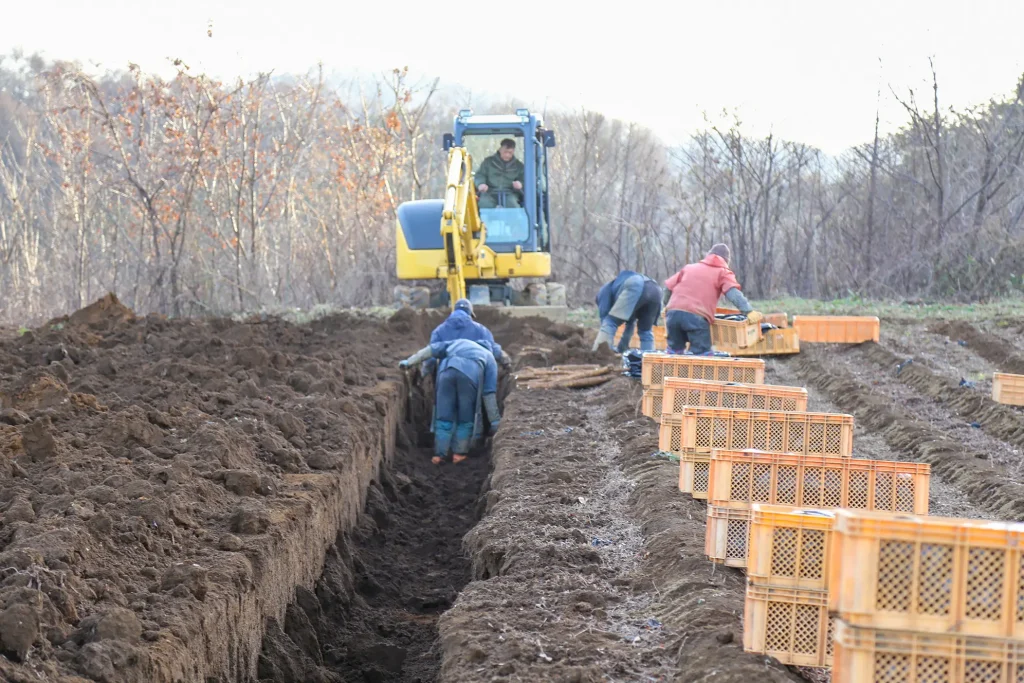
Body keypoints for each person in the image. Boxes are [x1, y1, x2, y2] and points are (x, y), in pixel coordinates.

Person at [399, 338, 503, 465]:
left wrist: (409, 362)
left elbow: (429, 350)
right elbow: (489, 393)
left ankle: (439, 455)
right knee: (465, 419)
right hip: (469, 377)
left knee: (444, 417)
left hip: (446, 373)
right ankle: (458, 454)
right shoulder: (489, 357)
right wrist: (495, 421)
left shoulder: (456, 342)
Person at [662, 243, 762, 355]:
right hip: (696, 318)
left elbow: (667, 288)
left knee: (674, 353)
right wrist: (748, 311)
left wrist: (666, 306)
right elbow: (733, 293)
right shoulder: (723, 272)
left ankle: (671, 371)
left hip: (672, 315)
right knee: (701, 356)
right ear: (726, 261)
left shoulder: (689, 268)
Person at [424, 298, 511, 374]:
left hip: (446, 372)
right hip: (473, 372)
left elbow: (431, 356)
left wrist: (426, 373)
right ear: (470, 313)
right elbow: (492, 349)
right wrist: (506, 361)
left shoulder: (439, 331)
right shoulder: (481, 330)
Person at [592, 270, 663, 352]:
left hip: (636, 284)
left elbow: (605, 321)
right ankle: (649, 362)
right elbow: (630, 325)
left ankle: (599, 354)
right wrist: (621, 350)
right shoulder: (620, 288)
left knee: (610, 321)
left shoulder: (603, 292)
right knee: (645, 331)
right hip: (655, 289)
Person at [475, 138, 525, 209]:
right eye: (505, 152)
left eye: (510, 153)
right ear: (500, 149)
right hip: (489, 191)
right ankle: (484, 220)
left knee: (512, 205)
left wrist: (520, 184)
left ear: (513, 151)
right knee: (484, 204)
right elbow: (480, 175)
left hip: (509, 193)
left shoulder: (519, 166)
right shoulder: (488, 162)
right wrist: (481, 184)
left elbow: (523, 179)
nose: (507, 155)